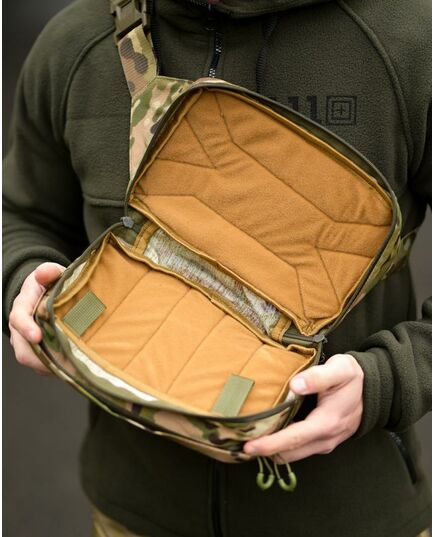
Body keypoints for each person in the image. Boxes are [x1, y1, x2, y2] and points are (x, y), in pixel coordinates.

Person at [3, 0, 431, 536]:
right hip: (134, 515)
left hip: (354, 517)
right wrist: (20, 277)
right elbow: (20, 213)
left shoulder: (410, 43)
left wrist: (388, 381)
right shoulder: (77, 42)